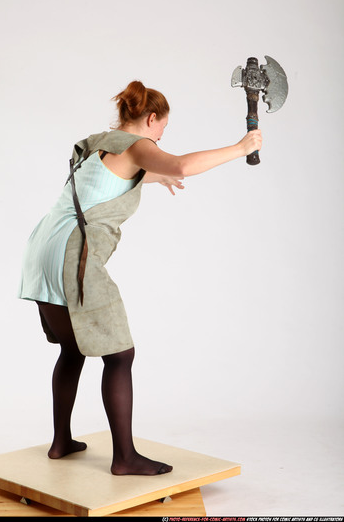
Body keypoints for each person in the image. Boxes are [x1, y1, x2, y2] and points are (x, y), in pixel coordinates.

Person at [18, 80, 262, 476]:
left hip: (42, 249)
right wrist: (241, 148)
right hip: (73, 257)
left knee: (72, 347)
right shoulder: (138, 145)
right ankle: (124, 458)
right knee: (120, 356)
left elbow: (109, 178)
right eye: (162, 127)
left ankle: (61, 442)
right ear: (151, 119)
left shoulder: (102, 143)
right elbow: (181, 163)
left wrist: (154, 177)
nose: (162, 137)